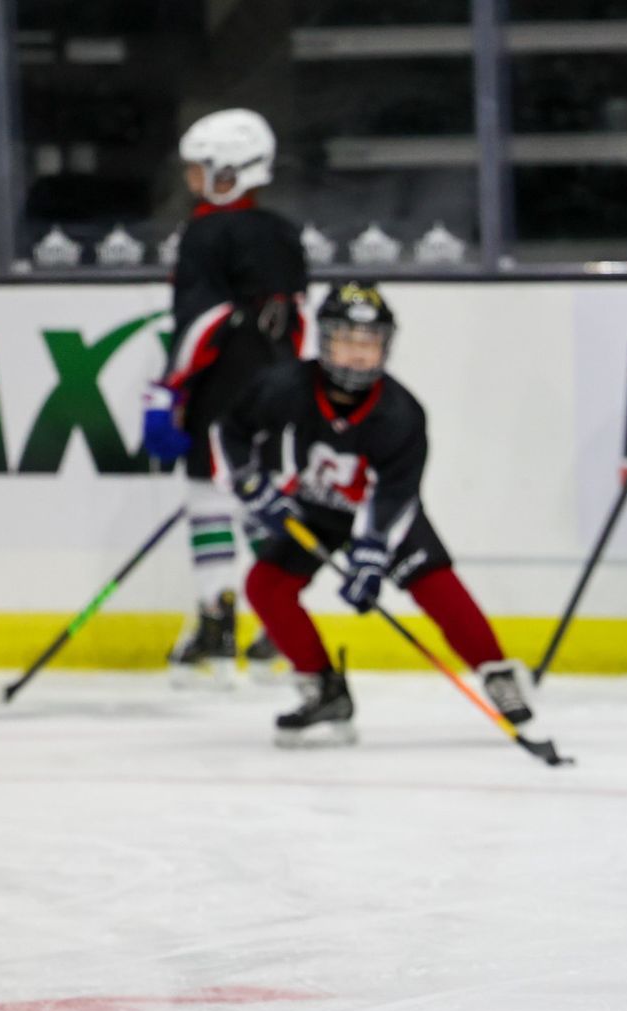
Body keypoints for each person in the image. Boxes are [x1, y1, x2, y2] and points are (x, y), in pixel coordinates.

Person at [212, 282, 553, 750]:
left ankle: (497, 674)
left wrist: (371, 554)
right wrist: (251, 484)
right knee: (266, 586)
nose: (357, 356)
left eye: (369, 344)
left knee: (435, 583)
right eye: (347, 341)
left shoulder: (401, 414)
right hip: (315, 508)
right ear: (326, 341)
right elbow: (231, 432)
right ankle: (323, 688)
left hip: (380, 512)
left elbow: (397, 493)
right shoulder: (284, 386)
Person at [141, 107, 307, 686]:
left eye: (200, 169)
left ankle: (217, 623)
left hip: (225, 389)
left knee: (207, 496)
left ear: (230, 172)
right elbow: (296, 322)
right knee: (261, 498)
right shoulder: (284, 232)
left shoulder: (206, 233)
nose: (192, 180)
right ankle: (277, 631)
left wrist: (168, 390)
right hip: (280, 391)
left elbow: (201, 322)